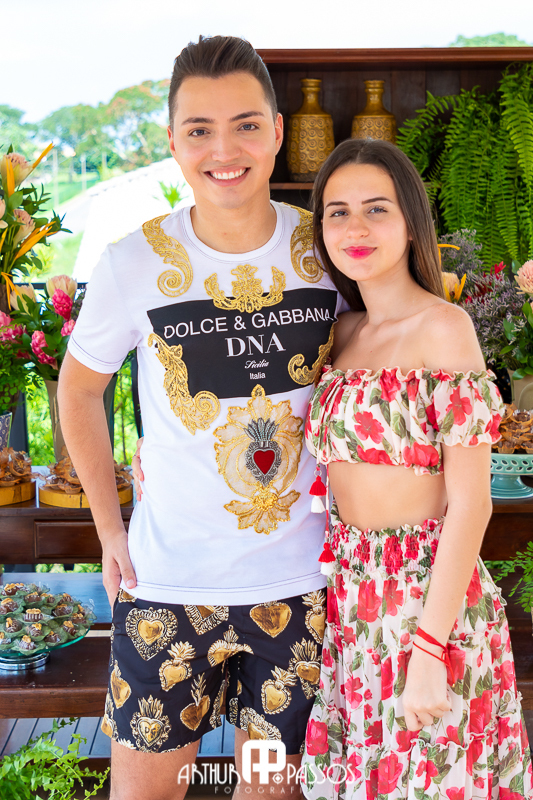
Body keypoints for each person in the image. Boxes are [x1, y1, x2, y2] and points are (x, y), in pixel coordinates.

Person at [58, 35, 345, 800]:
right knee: (145, 794)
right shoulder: (132, 262)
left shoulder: (328, 250)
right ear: (173, 141)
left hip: (298, 591)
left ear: (276, 131)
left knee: (266, 792)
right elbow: (78, 390)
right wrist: (109, 531)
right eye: (199, 130)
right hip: (167, 590)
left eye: (245, 125)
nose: (224, 150)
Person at [299, 138, 533, 799]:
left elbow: (472, 503)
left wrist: (429, 649)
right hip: (353, 599)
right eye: (338, 212)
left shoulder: (443, 328)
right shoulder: (342, 334)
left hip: (429, 599)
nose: (355, 228)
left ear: (410, 223)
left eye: (376, 209)